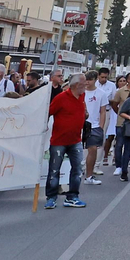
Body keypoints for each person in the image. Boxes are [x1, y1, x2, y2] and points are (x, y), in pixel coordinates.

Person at [43, 75, 88, 209]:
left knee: (77, 169)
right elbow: (48, 112)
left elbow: (82, 112)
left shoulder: (82, 97)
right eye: (84, 84)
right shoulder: (61, 98)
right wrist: (42, 127)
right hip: (59, 141)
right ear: (76, 85)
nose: (85, 86)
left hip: (76, 140)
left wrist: (85, 115)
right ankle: (51, 197)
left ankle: (72, 196)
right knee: (54, 170)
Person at [81, 71, 106, 185]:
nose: (87, 82)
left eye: (90, 80)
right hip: (79, 124)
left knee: (93, 150)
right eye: (85, 80)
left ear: (95, 80)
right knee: (78, 151)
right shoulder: (80, 92)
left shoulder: (101, 93)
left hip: (94, 126)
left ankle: (89, 175)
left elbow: (102, 112)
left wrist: (101, 127)